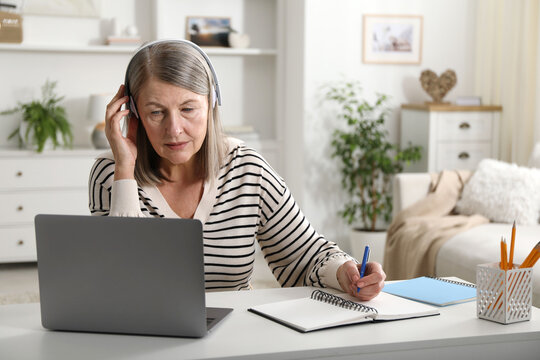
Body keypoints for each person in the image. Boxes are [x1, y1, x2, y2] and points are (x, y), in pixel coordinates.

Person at [88, 39, 385, 299]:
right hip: (145, 335)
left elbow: (304, 256)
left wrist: (345, 271)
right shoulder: (111, 173)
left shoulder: (247, 167)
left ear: (212, 103)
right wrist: (125, 169)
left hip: (235, 334)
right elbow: (120, 280)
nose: (174, 129)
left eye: (188, 109)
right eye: (156, 112)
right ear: (134, 113)